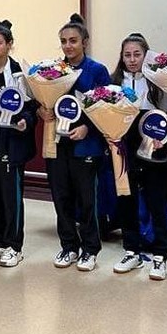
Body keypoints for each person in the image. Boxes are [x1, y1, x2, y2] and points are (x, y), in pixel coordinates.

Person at [40, 14, 110, 271]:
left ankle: (90, 249)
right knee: (61, 197)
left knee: (87, 199)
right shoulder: (54, 72)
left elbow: (106, 106)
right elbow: (44, 102)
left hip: (86, 146)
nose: (68, 46)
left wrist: (87, 128)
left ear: (85, 42)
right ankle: (69, 246)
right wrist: (42, 110)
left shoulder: (97, 71)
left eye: (73, 41)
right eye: (63, 41)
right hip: (58, 142)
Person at [109, 33, 167, 280]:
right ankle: (131, 251)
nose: (132, 60)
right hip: (124, 151)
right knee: (126, 200)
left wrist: (165, 141)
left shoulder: (160, 82)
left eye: (137, 54)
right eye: (127, 55)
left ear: (146, 55)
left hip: (154, 152)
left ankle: (160, 256)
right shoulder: (114, 83)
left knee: (156, 202)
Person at [0, 20, 37, 268]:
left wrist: (24, 121)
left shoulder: (20, 74)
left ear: (9, 44)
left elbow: (32, 107)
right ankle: (0, 241)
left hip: (10, 141)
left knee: (10, 195)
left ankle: (14, 246)